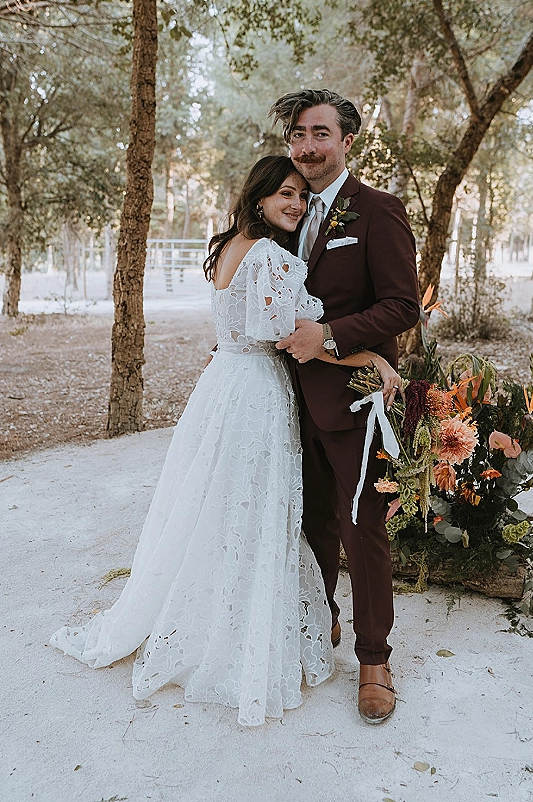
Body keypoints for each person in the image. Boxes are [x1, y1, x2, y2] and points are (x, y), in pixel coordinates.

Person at [50, 155, 401, 727]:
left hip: (224, 388)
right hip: (258, 392)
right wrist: (371, 360)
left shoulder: (229, 248)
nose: (295, 203)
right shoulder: (270, 257)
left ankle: (217, 614)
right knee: (258, 513)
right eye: (283, 194)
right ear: (258, 198)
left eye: (300, 196)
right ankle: (243, 635)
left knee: (217, 507)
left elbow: (242, 325)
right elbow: (294, 336)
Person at [269, 90, 421, 724]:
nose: (308, 146)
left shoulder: (378, 212)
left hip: (355, 402)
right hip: (284, 402)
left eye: (320, 133)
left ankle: (373, 659)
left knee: (364, 533)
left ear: (346, 140)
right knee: (308, 522)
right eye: (299, 135)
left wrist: (331, 340)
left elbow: (401, 305)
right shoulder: (283, 212)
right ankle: (319, 622)